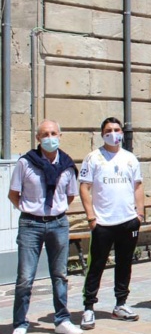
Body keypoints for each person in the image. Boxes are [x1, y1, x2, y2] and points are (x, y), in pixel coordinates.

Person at [9, 120, 83, 334]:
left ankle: (62, 321)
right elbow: (13, 194)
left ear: (60, 136)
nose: (50, 138)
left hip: (58, 223)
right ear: (38, 138)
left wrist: (54, 210)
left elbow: (70, 195)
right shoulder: (25, 163)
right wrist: (31, 210)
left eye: (53, 133)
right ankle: (20, 323)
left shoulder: (67, 165)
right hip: (30, 224)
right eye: (45, 134)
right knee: (25, 277)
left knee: (60, 274)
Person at [79, 117, 144, 329]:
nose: (113, 133)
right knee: (96, 265)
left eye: (117, 129)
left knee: (124, 264)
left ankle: (120, 304)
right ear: (102, 134)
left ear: (122, 133)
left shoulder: (130, 158)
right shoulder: (93, 158)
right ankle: (89, 307)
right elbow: (84, 187)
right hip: (103, 223)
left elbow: (137, 186)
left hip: (127, 221)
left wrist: (139, 214)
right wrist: (91, 217)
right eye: (108, 130)